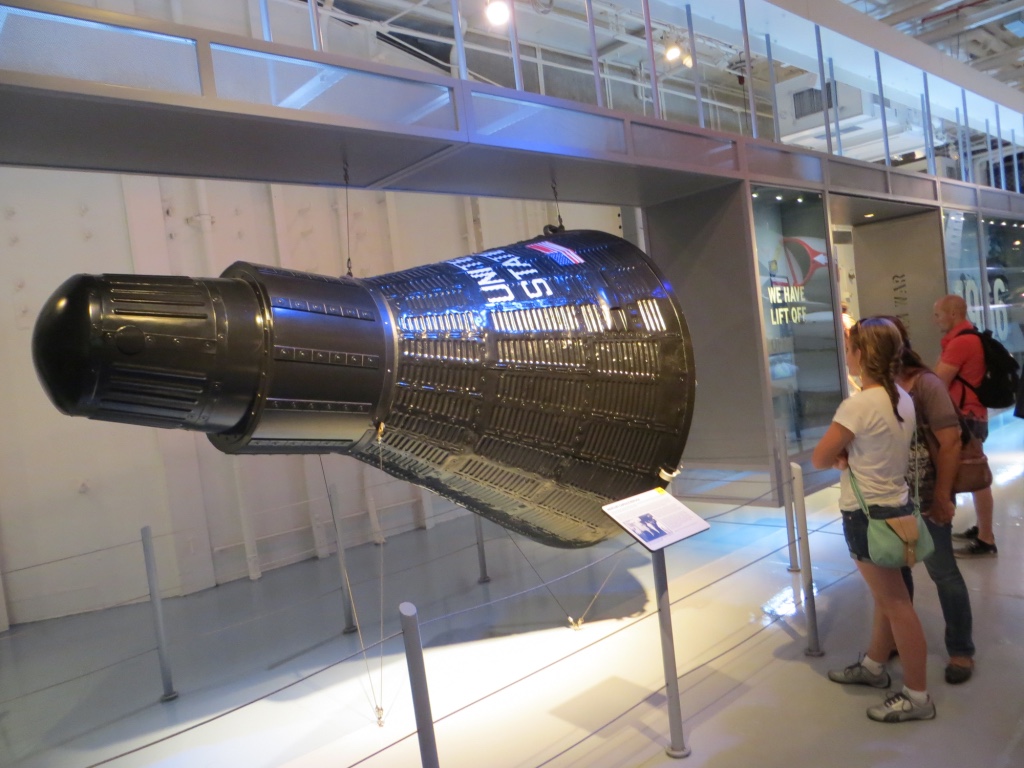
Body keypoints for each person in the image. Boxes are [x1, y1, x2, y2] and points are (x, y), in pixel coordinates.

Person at [813, 318, 934, 722]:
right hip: (896, 507)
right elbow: (875, 448)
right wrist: (851, 454)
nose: (846, 355)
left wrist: (842, 455)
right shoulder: (901, 396)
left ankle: (917, 697)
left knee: (896, 603)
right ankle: (874, 665)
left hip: (868, 516)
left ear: (861, 354)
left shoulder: (859, 404)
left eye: (850, 348)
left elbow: (819, 456)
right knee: (888, 599)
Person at [883, 315, 975, 685]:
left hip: (926, 493)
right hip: (892, 497)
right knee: (894, 572)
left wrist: (942, 496)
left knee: (942, 571)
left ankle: (961, 649)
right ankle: (894, 638)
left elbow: (950, 442)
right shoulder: (880, 386)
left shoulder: (926, 384)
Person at [932, 295, 997, 557]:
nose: (934, 320)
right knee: (973, 473)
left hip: (966, 417)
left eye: (938, 314)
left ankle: (986, 538)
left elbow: (937, 383)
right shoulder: (969, 337)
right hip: (973, 414)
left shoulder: (961, 344)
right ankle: (983, 529)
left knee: (975, 476)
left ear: (953, 314)